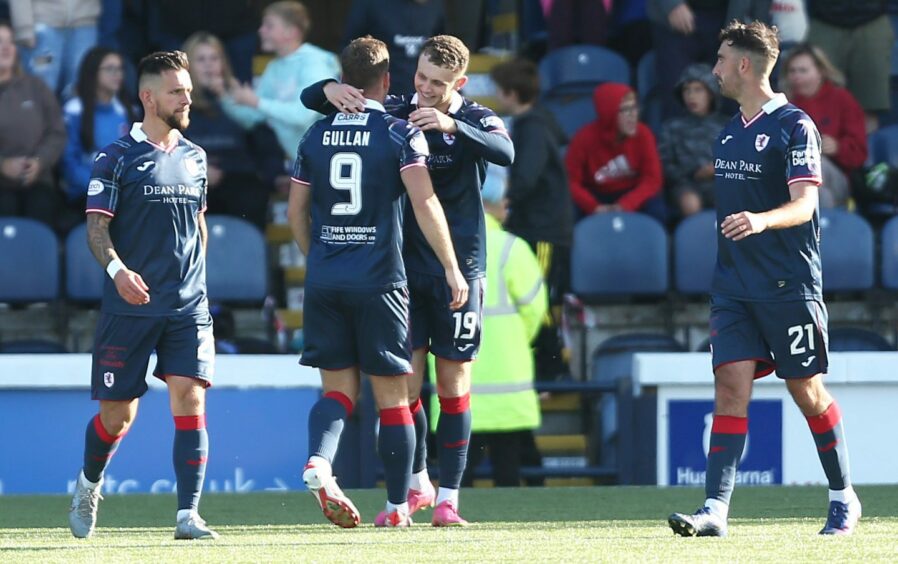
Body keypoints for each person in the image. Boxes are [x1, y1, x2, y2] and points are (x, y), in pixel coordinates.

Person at [302, 34, 515, 526]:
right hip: (399, 270)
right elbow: (313, 100)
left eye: (438, 83)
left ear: (459, 82)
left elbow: (504, 151)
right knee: (405, 385)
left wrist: (452, 125)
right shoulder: (397, 110)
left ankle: (450, 499)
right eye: (420, 77)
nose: (425, 89)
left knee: (453, 383)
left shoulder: (475, 117)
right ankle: (418, 482)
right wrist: (331, 87)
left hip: (460, 265)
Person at [668, 20, 861, 538]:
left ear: (745, 64)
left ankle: (844, 496)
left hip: (787, 282)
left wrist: (760, 220)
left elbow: (806, 204)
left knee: (807, 391)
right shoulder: (729, 130)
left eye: (721, 58)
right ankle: (715, 510)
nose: (715, 69)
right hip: (733, 285)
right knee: (729, 387)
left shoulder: (795, 125)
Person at [68, 50, 218, 541]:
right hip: (130, 306)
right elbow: (95, 228)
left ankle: (187, 516)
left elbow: (198, 224)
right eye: (177, 91)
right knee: (118, 415)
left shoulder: (195, 156)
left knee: (190, 397)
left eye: (189, 89)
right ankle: (90, 482)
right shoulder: (115, 157)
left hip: (187, 306)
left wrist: (199, 277)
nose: (186, 98)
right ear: (148, 96)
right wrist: (118, 271)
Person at [435, 165, 546, 488]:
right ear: (494, 202)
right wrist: (514, 339)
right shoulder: (513, 248)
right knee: (508, 476)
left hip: (454, 377)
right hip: (508, 385)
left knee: (456, 479)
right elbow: (535, 311)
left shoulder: (443, 245)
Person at [490, 57, 572, 380]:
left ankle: (553, 370)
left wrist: (505, 200)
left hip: (543, 229)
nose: (495, 96)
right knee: (541, 297)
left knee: (541, 299)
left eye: (498, 90)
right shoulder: (534, 123)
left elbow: (526, 176)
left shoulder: (533, 128)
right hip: (540, 227)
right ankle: (549, 368)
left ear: (511, 93)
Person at [220, 1, 340, 174]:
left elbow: (302, 116)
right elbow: (252, 118)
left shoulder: (315, 62)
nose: (261, 31)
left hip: (329, 161)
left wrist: (255, 101)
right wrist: (222, 95)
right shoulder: (274, 67)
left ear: (291, 32)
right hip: (305, 164)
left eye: (269, 26)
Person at [183, 31, 282, 229]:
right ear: (188, 67)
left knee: (250, 195)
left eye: (214, 58)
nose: (209, 65)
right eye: (201, 59)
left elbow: (265, 143)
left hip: (238, 180)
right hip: (191, 182)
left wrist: (276, 175)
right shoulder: (178, 104)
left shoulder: (240, 100)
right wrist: (197, 172)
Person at [648, 0, 770, 119]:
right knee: (676, 92)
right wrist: (672, 4)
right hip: (676, 17)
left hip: (728, 15)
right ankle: (676, 137)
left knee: (730, 92)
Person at [781, 43, 867, 208]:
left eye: (803, 70)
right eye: (792, 71)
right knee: (820, 194)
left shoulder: (842, 99)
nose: (797, 76)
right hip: (793, 181)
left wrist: (837, 147)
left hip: (837, 177)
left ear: (821, 71)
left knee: (813, 162)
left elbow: (860, 154)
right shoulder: (784, 106)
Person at [566, 82, 666, 222]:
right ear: (609, 112)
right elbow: (570, 181)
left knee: (657, 209)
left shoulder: (644, 134)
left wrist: (626, 204)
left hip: (631, 191)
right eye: (625, 110)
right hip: (596, 194)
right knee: (568, 211)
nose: (632, 115)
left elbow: (652, 180)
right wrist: (593, 206)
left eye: (634, 108)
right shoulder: (583, 138)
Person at [0, 20, 66, 229]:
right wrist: (2, 165)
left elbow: (57, 133)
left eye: (11, 42)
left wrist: (39, 161)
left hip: (39, 180)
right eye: (0, 42)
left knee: (41, 215)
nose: (6, 48)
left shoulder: (36, 86)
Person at [62, 46, 134, 212]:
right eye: (110, 69)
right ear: (93, 72)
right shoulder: (74, 111)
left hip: (123, 194)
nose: (117, 74)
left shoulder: (129, 111)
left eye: (120, 69)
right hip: (85, 195)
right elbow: (69, 162)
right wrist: (100, 187)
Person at [806, 0, 893, 132]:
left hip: (873, 18)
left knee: (869, 105)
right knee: (817, 102)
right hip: (823, 19)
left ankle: (863, 150)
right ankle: (818, 150)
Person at [658, 63, 729, 218]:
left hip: (722, 183)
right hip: (686, 185)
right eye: (686, 90)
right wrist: (695, 174)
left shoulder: (728, 125)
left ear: (711, 93)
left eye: (698, 90)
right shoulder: (672, 127)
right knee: (690, 202)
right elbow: (665, 165)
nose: (691, 96)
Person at [342, 0, 444, 95]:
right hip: (381, 93)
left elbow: (439, 45)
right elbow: (349, 49)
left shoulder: (435, 5)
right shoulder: (370, 4)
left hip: (422, 94)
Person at [9, 0, 100, 96]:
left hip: (85, 24)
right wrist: (23, 28)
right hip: (42, 25)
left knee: (78, 92)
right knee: (42, 90)